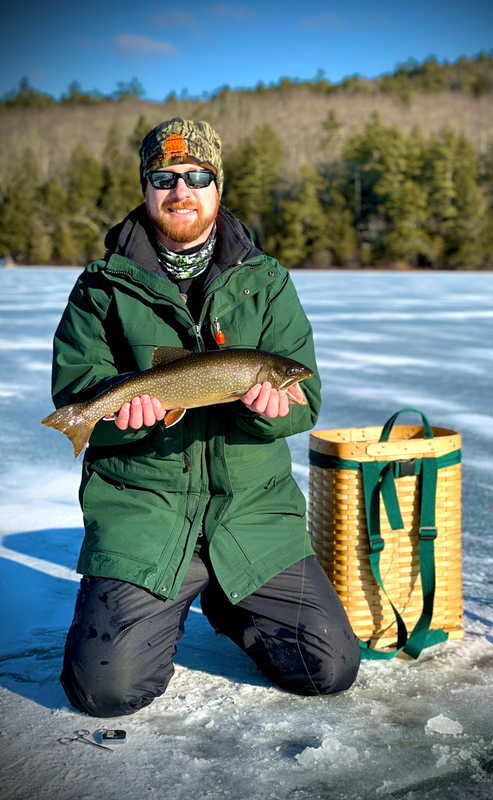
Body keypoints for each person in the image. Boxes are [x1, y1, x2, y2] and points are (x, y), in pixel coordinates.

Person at [50, 118, 360, 717]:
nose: (181, 190)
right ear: (145, 189)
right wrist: (124, 417)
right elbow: (78, 386)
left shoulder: (266, 284)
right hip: (144, 512)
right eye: (164, 178)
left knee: (331, 671)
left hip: (249, 513)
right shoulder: (101, 288)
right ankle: (165, 595)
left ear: (218, 187)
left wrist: (269, 415)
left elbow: (307, 395)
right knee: (105, 693)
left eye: (197, 176)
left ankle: (228, 599)